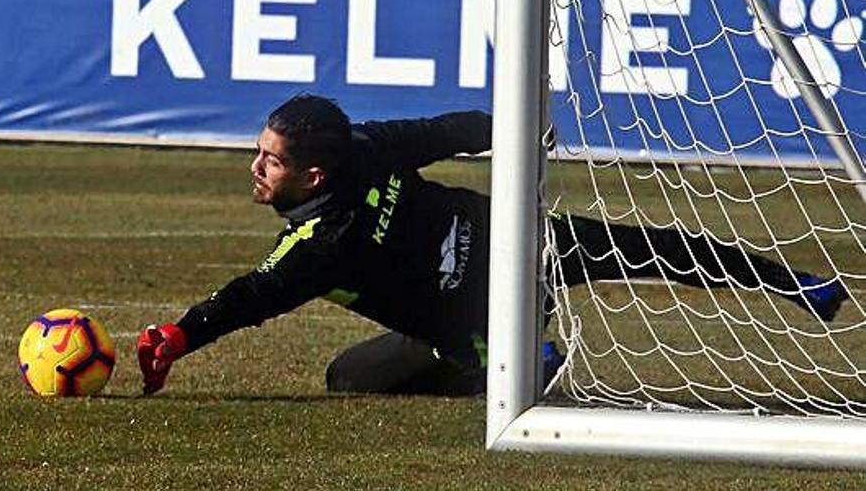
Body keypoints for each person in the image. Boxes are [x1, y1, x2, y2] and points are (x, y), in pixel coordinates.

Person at [137, 94, 849, 396]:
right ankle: (802, 285)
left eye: (269, 159)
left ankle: (524, 363)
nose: (255, 166)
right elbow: (447, 131)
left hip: (489, 314)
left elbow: (251, 296)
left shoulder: (318, 243)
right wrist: (509, 125)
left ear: (312, 174)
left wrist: (178, 333)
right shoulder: (366, 148)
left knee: (350, 380)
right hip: (525, 243)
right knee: (659, 248)